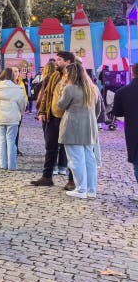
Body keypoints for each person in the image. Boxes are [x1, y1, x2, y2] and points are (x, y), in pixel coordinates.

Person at [57, 62, 99, 199]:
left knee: (76, 160)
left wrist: (62, 88)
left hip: (73, 127)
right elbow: (97, 110)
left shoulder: (69, 88)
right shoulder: (92, 88)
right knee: (89, 159)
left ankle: (81, 189)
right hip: (89, 127)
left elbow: (61, 105)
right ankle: (91, 190)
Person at [33, 51, 75, 187]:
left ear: (68, 62)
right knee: (50, 147)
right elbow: (47, 94)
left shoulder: (74, 77)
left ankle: (72, 180)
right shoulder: (55, 75)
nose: (56, 62)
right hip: (53, 118)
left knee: (70, 150)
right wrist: (42, 111)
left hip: (68, 118)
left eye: (59, 60)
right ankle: (47, 177)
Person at [0, 68, 27, 170]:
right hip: (13, 117)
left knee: (2, 140)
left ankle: (3, 164)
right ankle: (12, 165)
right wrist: (20, 112)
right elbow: (22, 104)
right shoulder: (17, 89)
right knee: (11, 141)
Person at [112, 63, 138, 202]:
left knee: (137, 161)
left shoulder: (122, 92)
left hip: (134, 131)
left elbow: (118, 113)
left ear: (132, 73)